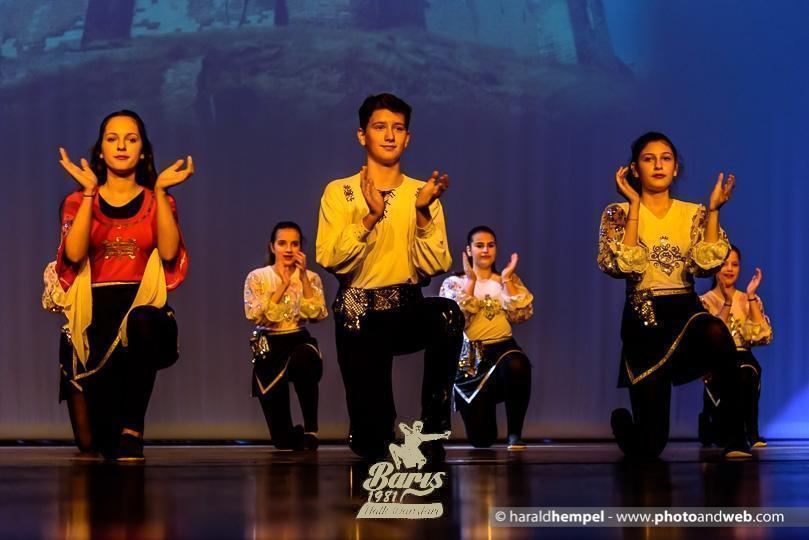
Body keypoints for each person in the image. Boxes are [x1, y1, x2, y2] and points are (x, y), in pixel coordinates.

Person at [315, 93, 464, 461]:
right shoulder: (340, 191)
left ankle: (432, 429)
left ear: (407, 138)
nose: (389, 135)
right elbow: (330, 258)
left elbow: (436, 264)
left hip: (406, 308)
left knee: (447, 314)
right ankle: (375, 429)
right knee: (372, 442)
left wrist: (423, 214)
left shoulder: (421, 193)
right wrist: (369, 218)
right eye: (380, 127)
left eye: (398, 128)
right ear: (362, 135)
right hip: (360, 312)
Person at [597, 131, 751, 459]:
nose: (658, 165)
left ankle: (735, 435)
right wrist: (635, 205)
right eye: (649, 159)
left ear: (675, 167)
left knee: (715, 332)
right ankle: (624, 425)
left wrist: (714, 211)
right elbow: (621, 266)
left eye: (665, 158)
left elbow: (706, 265)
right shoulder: (617, 212)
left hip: (684, 311)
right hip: (644, 320)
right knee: (650, 446)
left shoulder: (693, 212)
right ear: (634, 169)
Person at [49, 110, 191, 461]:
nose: (122, 146)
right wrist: (88, 194)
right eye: (112, 139)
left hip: (141, 311)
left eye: (131, 139)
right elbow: (74, 253)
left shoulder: (159, 200)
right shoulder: (78, 200)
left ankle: (134, 430)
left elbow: (169, 252)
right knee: (92, 442)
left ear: (143, 151)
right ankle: (115, 424)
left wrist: (161, 191)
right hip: (94, 318)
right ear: (101, 151)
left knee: (143, 321)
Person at [439, 226, 533, 450]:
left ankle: (515, 434)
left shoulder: (505, 280)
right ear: (469, 250)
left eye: (490, 245)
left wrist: (507, 279)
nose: (485, 250)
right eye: (479, 245)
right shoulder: (454, 283)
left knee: (518, 364)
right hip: (472, 360)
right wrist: (471, 281)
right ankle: (483, 406)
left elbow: (521, 314)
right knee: (482, 440)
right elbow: (456, 322)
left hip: (503, 351)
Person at [243, 221, 328, 450]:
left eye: (294, 244)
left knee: (305, 358)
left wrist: (302, 279)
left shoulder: (311, 277)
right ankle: (291, 434)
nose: (289, 249)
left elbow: (316, 313)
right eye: (282, 243)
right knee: (282, 441)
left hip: (297, 338)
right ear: (272, 247)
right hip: (270, 343)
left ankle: (311, 430)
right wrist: (283, 284)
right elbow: (258, 316)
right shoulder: (258, 277)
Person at [698, 246, 773, 448]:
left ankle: (750, 432)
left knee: (747, 371)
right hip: (718, 359)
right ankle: (716, 425)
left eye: (735, 264)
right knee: (734, 373)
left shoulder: (749, 299)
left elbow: (760, 335)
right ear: (715, 267)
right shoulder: (704, 301)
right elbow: (713, 338)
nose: (730, 269)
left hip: (744, 357)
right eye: (724, 264)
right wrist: (727, 302)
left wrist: (750, 295)